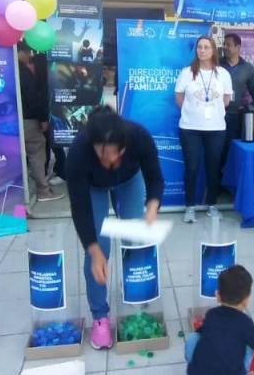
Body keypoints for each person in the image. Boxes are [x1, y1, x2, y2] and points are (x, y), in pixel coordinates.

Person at [67, 106, 164, 350]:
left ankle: (137, 296)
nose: (108, 160)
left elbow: (155, 177)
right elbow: (80, 208)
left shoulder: (138, 136)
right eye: (101, 153)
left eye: (113, 153)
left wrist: (152, 206)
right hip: (93, 187)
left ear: (123, 147)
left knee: (135, 240)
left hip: (129, 180)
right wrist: (93, 249)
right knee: (99, 249)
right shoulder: (79, 151)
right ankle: (100, 316)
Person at [176, 36, 233, 223]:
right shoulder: (187, 73)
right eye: (199, 47)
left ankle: (212, 204)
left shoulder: (223, 74)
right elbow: (179, 97)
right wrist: (194, 112)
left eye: (206, 47)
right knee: (191, 167)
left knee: (213, 168)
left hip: (216, 128)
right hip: (190, 128)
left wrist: (211, 111)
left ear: (213, 50)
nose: (202, 50)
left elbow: (226, 100)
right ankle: (189, 206)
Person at [185, 265, 254, 375]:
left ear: (217, 296)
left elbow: (203, 332)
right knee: (249, 344)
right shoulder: (245, 322)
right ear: (246, 300)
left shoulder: (211, 314)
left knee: (194, 337)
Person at [19, 46, 63, 206]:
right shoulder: (24, 73)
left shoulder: (5, 69)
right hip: (28, 120)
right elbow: (33, 99)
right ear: (21, 52)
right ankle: (43, 191)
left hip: (8, 121)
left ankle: (18, 194)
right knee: (37, 152)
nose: (29, 57)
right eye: (27, 53)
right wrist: (43, 118)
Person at [221, 33, 254, 158]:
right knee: (216, 152)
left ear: (238, 47)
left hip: (235, 117)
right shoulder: (216, 64)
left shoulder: (247, 68)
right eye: (224, 44)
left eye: (228, 45)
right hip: (217, 115)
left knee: (232, 152)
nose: (225, 47)